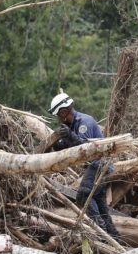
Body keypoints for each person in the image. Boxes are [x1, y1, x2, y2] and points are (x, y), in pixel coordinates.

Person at [49, 91, 120, 238]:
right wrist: (58, 144)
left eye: (58, 115)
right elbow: (71, 147)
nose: (58, 119)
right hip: (97, 166)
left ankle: (101, 234)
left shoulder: (84, 122)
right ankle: (115, 238)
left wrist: (69, 135)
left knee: (83, 196)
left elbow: (87, 149)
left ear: (63, 112)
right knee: (100, 205)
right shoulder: (72, 125)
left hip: (99, 164)